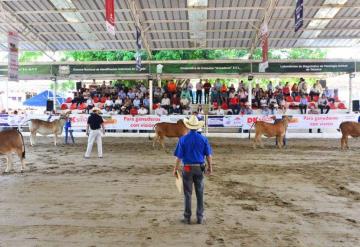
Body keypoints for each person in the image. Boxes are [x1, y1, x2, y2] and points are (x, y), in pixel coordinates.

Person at [173, 115, 213, 225]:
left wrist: (175, 169)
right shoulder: (203, 139)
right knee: (200, 193)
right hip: (199, 167)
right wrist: (210, 167)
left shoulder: (183, 139)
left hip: (187, 167)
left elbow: (179, 157)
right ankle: (200, 217)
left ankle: (187, 217)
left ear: (188, 126)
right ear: (198, 127)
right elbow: (208, 155)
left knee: (187, 193)